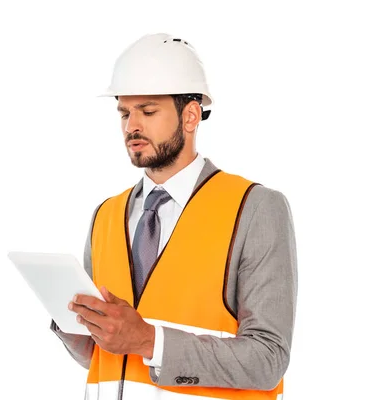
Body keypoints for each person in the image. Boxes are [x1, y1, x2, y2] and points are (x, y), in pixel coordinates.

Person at [50, 33, 298, 400]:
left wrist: (151, 340)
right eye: (124, 112)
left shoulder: (255, 208)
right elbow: (104, 358)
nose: (131, 126)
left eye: (148, 111)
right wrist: (74, 327)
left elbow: (268, 359)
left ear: (191, 116)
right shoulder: (106, 214)